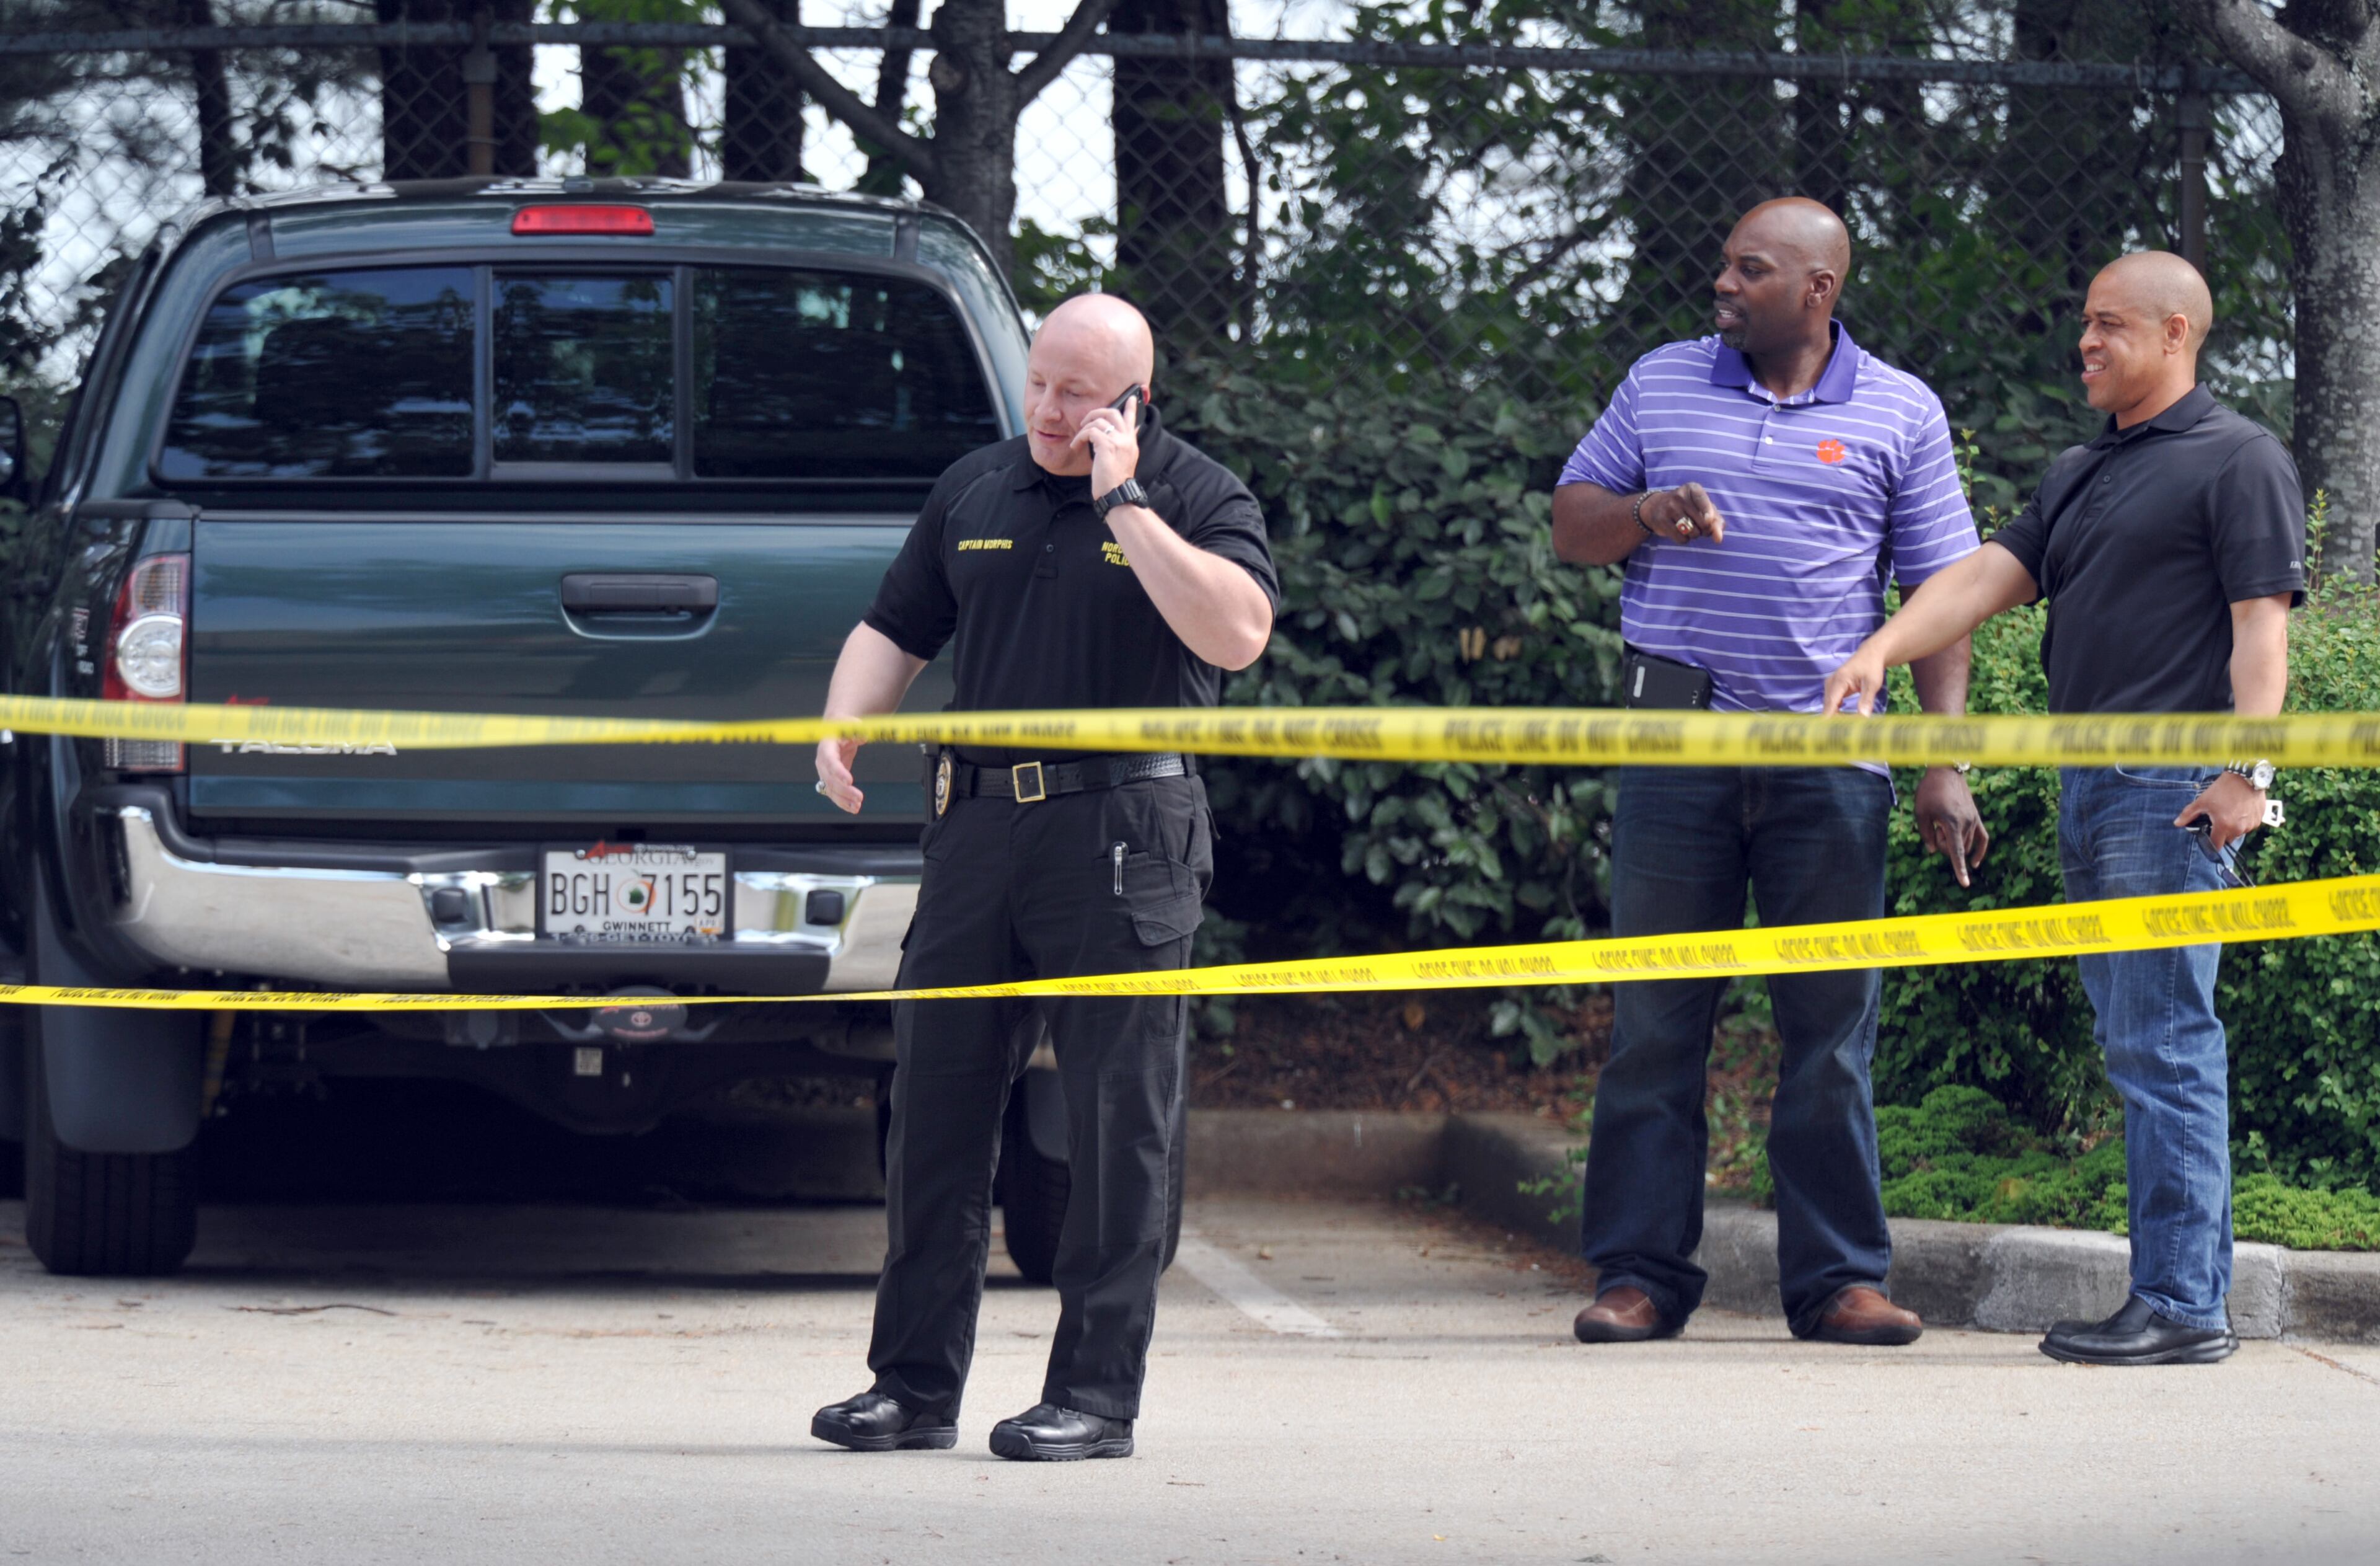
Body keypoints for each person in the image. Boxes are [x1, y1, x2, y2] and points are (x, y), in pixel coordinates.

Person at [806, 293, 1277, 1459]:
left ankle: (1097, 1396)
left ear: (1134, 402)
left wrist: (1124, 504)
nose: (1050, 410)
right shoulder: (978, 486)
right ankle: (911, 1386)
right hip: (976, 829)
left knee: (1121, 1124)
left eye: (1077, 393)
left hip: (1122, 830)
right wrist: (843, 722)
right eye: (1039, 384)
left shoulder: (1198, 494)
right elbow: (895, 626)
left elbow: (1237, 633)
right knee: (935, 1111)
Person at [1825, 250, 2301, 1367]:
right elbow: (1986, 575)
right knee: (2143, 1044)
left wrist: (2250, 772)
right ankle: (2178, 1295)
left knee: (2166, 1044)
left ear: (2176, 333)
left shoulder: (2240, 458)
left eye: (2108, 326)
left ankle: (2184, 1303)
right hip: (2091, 787)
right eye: (2083, 323)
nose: (2085, 343)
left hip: (2169, 788)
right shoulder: (2087, 468)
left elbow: (2260, 633)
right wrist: (1885, 646)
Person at [1551, 197, 1986, 1348]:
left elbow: (1943, 599)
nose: (1724, 285)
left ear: (1818, 290)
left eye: (1751, 270)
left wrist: (1941, 761)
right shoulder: (1661, 381)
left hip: (1829, 766)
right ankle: (1639, 1274)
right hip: (1676, 756)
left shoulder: (1900, 409)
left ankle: (1838, 1280)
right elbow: (1571, 521)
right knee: (1657, 1019)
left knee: (1830, 1028)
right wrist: (1643, 511)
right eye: (1723, 264)